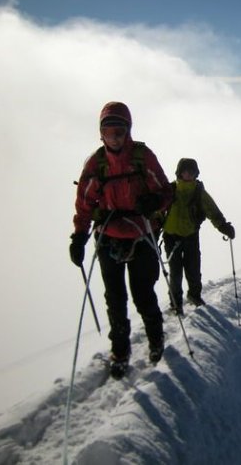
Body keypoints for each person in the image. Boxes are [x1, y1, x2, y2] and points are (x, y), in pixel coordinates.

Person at [69, 101, 172, 377]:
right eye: (108, 132)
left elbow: (165, 191)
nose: (114, 137)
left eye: (119, 131)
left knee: (142, 295)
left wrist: (154, 201)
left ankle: (155, 339)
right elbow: (84, 204)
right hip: (109, 238)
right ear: (100, 133)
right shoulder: (96, 164)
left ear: (129, 131)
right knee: (115, 299)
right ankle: (120, 351)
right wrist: (79, 237)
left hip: (141, 236)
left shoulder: (142, 157)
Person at [163, 158, 235, 315]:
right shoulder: (170, 190)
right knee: (175, 272)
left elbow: (212, 211)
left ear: (196, 174)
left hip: (190, 236)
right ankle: (176, 303)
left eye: (191, 171)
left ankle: (194, 296)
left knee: (193, 269)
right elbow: (157, 211)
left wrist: (223, 226)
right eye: (185, 171)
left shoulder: (199, 193)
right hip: (171, 236)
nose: (188, 174)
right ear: (179, 172)